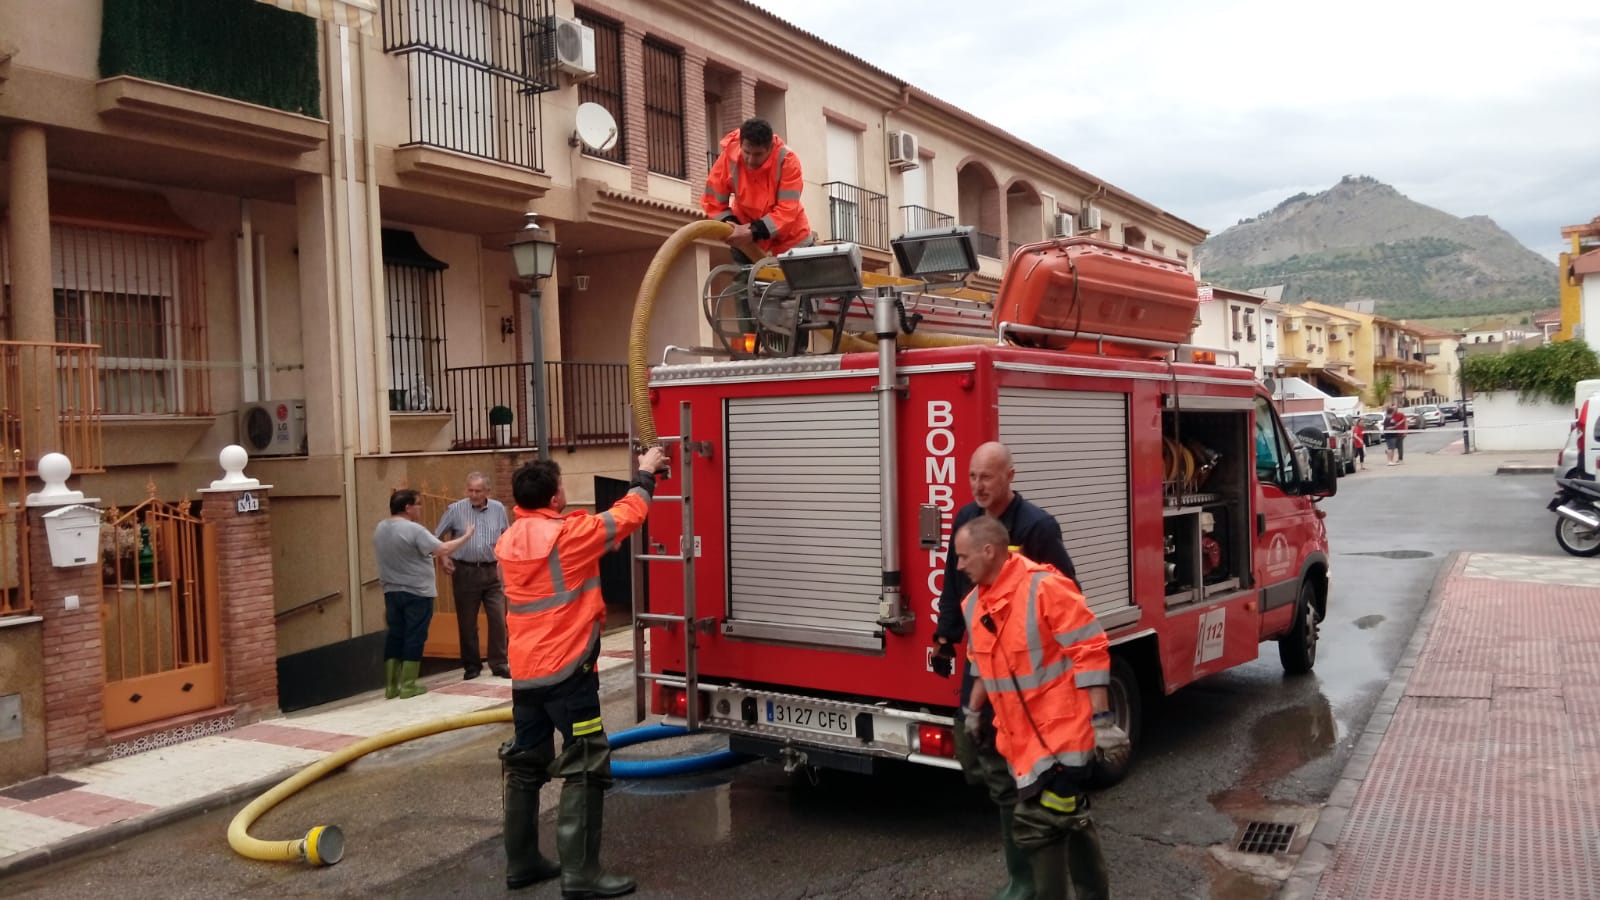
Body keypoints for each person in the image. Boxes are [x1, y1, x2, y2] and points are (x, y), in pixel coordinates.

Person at [496, 446, 668, 896]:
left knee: (525, 764)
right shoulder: (569, 537)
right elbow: (628, 515)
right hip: (570, 672)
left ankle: (523, 862)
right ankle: (580, 874)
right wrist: (646, 472)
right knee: (587, 763)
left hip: (526, 674)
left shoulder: (510, 541)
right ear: (555, 498)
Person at [932, 441, 1076, 899]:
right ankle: (1021, 877)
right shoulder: (966, 525)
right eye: (973, 476)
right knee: (988, 769)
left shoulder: (1036, 528)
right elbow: (957, 587)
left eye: (987, 477)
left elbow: (1067, 600)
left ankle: (1033, 881)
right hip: (983, 672)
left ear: (1010, 476)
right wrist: (945, 637)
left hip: (1028, 682)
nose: (978, 485)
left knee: (1031, 777)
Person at [955, 515, 1125, 900]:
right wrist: (972, 714)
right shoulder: (973, 605)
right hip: (1021, 746)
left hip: (1064, 739)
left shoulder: (1044, 588)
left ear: (989, 551)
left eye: (964, 557)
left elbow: (1090, 649)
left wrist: (1101, 721)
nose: (959, 566)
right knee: (1072, 821)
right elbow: (981, 665)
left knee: (1039, 828)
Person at [375, 489, 475, 699]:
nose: (420, 508)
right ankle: (409, 684)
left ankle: (391, 686)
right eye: (418, 504)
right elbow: (442, 548)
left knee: (395, 635)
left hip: (391, 591)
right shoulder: (413, 530)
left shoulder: (381, 528)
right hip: (417, 592)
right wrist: (466, 536)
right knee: (415, 635)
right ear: (408, 507)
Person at [702, 117, 811, 265]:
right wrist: (732, 226)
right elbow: (713, 201)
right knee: (744, 288)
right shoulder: (729, 158)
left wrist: (753, 231)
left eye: (758, 154)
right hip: (748, 244)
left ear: (770, 148)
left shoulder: (787, 161)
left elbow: (787, 211)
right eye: (746, 152)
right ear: (740, 145)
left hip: (792, 242)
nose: (751, 160)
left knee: (793, 288)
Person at [435, 472, 512, 680]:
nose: (474, 495)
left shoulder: (498, 509)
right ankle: (471, 665)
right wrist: (443, 558)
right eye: (470, 490)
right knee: (467, 621)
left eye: (478, 491)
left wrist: (504, 565)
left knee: (497, 618)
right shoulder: (455, 510)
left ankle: (499, 662)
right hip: (465, 570)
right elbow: (436, 538)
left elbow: (506, 537)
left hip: (492, 570)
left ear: (488, 491)